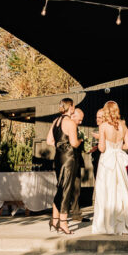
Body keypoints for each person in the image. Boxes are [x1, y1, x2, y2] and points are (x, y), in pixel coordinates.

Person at [92, 101, 128, 235]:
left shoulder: (103, 126)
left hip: (106, 161)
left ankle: (106, 224)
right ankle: (123, 222)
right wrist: (116, 147)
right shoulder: (123, 125)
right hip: (118, 160)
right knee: (121, 190)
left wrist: (105, 144)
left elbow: (101, 148)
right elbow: (127, 145)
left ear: (106, 111)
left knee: (106, 191)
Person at [47, 100, 83, 235]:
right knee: (66, 189)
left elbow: (49, 141)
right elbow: (74, 143)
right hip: (69, 158)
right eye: (73, 106)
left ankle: (55, 219)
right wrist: (80, 141)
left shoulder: (55, 121)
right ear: (71, 107)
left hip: (58, 158)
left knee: (60, 187)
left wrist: (60, 145)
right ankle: (63, 222)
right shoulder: (70, 122)